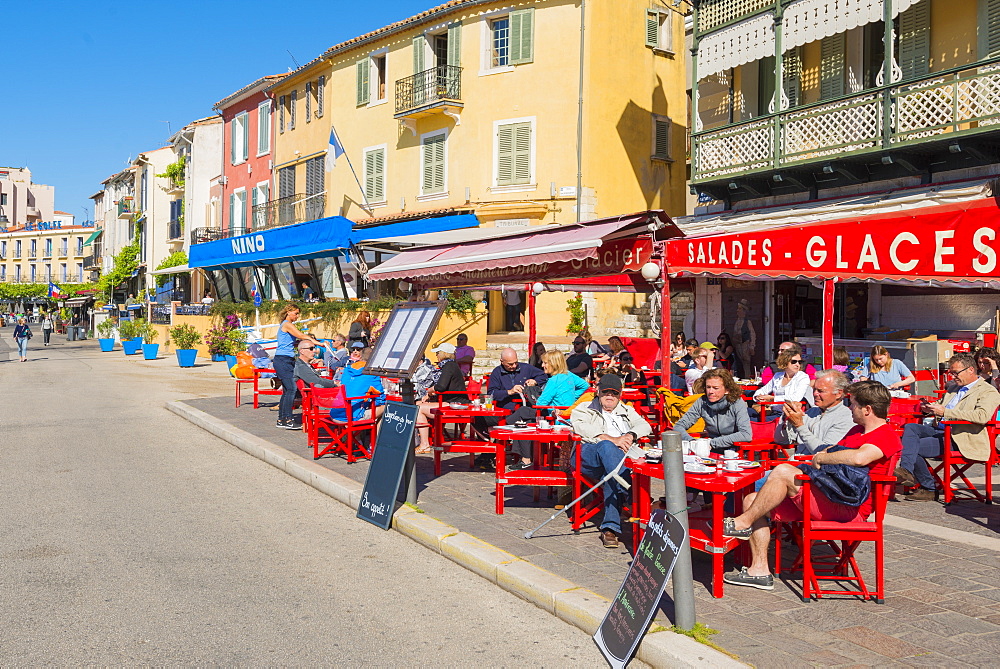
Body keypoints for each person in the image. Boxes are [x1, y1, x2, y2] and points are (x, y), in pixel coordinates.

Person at [722, 381, 903, 591]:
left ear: (867, 409)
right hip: (830, 495)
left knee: (782, 472)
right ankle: (759, 570)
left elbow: (860, 458)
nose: (850, 408)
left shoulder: (886, 435)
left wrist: (823, 459)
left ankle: (741, 523)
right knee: (751, 499)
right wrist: (820, 454)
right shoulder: (856, 430)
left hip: (850, 508)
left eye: (853, 404)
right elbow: (828, 451)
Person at [895, 353, 1000, 501]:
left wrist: (945, 412)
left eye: (955, 372)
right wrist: (929, 409)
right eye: (951, 373)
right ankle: (906, 471)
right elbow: (942, 406)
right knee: (911, 428)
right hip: (942, 429)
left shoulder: (987, 391)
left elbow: (982, 416)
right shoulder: (954, 388)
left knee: (913, 447)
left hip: (961, 437)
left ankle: (928, 487)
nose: (952, 376)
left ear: (970, 370)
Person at [570, 374, 653, 549]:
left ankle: (610, 528)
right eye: (605, 392)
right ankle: (632, 493)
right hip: (589, 457)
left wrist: (631, 435)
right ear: (598, 392)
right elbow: (580, 427)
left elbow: (645, 425)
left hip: (619, 462)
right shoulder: (584, 408)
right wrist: (610, 439)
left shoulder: (626, 410)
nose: (609, 396)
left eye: (614, 393)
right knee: (607, 447)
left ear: (619, 395)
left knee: (612, 473)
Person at [506, 351, 590, 471]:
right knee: (524, 415)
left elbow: (540, 404)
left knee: (523, 413)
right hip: (566, 415)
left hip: (555, 419)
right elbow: (584, 386)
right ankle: (525, 457)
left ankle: (501, 428)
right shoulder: (569, 375)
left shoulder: (553, 381)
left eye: (545, 363)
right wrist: (572, 398)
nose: (542, 365)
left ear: (554, 364)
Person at [472, 348, 548, 468]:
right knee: (476, 418)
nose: (513, 366)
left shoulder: (526, 368)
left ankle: (492, 450)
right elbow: (492, 393)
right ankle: (490, 447)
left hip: (523, 410)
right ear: (502, 361)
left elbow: (543, 375)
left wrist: (534, 381)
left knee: (520, 422)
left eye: (515, 362)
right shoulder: (497, 372)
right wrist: (509, 392)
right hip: (504, 411)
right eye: (510, 364)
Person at [774, 370, 855, 455]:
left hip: (816, 466)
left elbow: (824, 452)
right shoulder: (812, 412)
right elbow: (781, 441)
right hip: (796, 462)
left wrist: (799, 425)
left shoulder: (846, 418)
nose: (815, 394)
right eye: (814, 389)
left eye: (821, 391)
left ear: (838, 393)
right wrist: (786, 416)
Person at [674, 368, 752, 453]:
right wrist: (692, 442)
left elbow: (746, 434)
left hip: (734, 450)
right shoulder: (701, 402)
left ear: (727, 390)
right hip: (709, 450)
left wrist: (712, 443)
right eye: (708, 387)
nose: (710, 391)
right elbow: (678, 426)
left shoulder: (737, 402)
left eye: (715, 388)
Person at [415, 343, 468, 454]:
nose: (437, 355)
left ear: (444, 354)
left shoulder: (449, 366)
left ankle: (424, 444)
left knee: (418, 408)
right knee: (418, 403)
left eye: (438, 353)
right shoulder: (451, 365)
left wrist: (429, 390)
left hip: (454, 404)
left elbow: (441, 386)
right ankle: (425, 442)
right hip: (451, 401)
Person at [274, 303, 320, 430]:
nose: (297, 316)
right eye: (296, 313)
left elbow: (292, 342)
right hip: (283, 360)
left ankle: (282, 419)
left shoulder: (287, 325)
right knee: (292, 389)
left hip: (286, 359)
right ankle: (288, 419)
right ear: (288, 312)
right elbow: (300, 335)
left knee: (288, 390)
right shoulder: (287, 324)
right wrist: (316, 342)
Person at [330, 346, 386, 425]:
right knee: (385, 406)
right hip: (352, 417)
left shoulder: (347, 370)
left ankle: (355, 436)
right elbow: (380, 398)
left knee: (359, 404)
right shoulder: (372, 373)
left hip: (335, 414)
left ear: (360, 356)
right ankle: (377, 436)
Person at [753, 348, 815, 413]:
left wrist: (772, 398)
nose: (797, 364)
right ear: (785, 362)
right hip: (773, 410)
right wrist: (758, 397)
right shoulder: (778, 375)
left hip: (789, 414)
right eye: (793, 362)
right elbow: (764, 390)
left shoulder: (803, 377)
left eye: (800, 362)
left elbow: (796, 398)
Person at [731, 299, 756, 379]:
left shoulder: (747, 322)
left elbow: (752, 334)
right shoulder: (737, 322)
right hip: (738, 345)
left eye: (740, 309)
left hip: (745, 345)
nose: (737, 310)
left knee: (746, 363)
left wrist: (752, 346)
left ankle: (747, 378)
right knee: (739, 363)